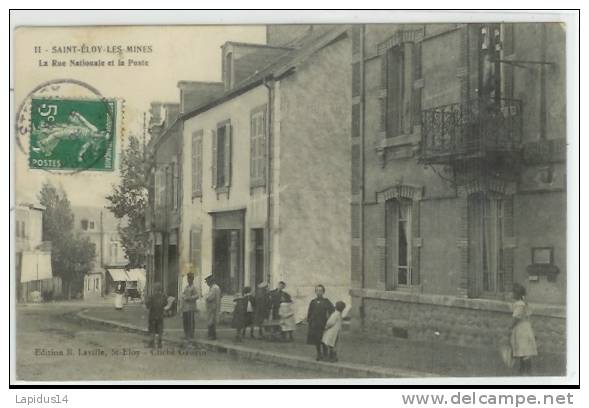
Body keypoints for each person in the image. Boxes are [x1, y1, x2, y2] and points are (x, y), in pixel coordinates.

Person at [510, 283, 538, 375]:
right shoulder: (524, 303)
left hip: (521, 329)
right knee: (524, 350)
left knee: (524, 349)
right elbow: (529, 314)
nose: (512, 294)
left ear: (517, 294)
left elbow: (516, 318)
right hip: (525, 328)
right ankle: (523, 370)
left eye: (513, 292)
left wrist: (510, 327)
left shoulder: (520, 305)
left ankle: (526, 371)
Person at [306, 284, 334, 361]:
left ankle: (325, 354)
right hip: (314, 324)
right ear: (315, 292)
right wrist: (309, 321)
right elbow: (310, 312)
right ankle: (319, 353)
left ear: (323, 292)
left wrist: (329, 321)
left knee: (324, 339)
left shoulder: (326, 301)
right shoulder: (313, 302)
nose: (319, 292)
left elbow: (332, 311)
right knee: (316, 340)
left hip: (323, 323)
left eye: (320, 291)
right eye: (317, 291)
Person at [145, 282, 167, 349]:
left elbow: (148, 305)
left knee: (152, 329)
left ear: (155, 289)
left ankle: (152, 343)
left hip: (153, 315)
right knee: (160, 329)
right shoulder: (163, 296)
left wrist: (146, 302)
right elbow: (165, 304)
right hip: (160, 315)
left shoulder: (152, 296)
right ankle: (159, 344)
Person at [181, 272, 199, 347]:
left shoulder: (194, 287)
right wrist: (183, 296)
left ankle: (191, 334)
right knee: (185, 321)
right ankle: (186, 334)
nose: (189, 280)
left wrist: (190, 298)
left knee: (190, 321)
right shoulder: (186, 287)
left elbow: (197, 295)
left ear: (192, 279)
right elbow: (183, 294)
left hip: (191, 307)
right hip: (185, 307)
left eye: (190, 278)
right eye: (188, 278)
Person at [205, 275, 221, 340]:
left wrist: (206, 297)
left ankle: (212, 335)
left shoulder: (214, 288)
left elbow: (210, 297)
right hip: (213, 306)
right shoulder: (214, 287)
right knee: (212, 321)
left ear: (211, 281)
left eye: (208, 282)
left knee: (211, 321)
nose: (207, 283)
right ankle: (212, 335)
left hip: (213, 306)